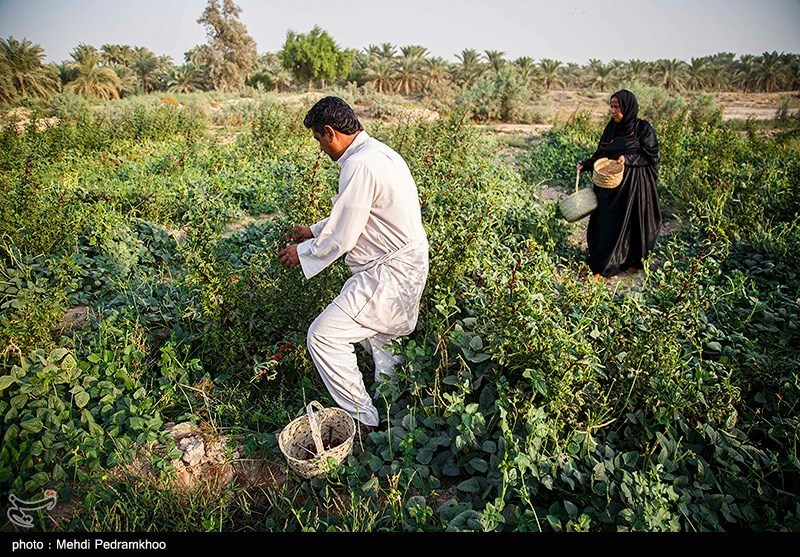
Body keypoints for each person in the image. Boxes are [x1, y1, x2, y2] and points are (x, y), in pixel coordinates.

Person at [277, 96, 429, 436]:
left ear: (330, 132)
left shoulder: (358, 165)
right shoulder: (378, 153)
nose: (320, 149)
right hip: (404, 264)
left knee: (324, 336)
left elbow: (344, 235)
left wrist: (302, 252)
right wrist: (314, 230)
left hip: (387, 272)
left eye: (318, 140)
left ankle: (361, 419)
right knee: (383, 340)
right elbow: (358, 210)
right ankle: (398, 415)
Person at [577, 89, 661, 279]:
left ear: (628, 107)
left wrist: (628, 158)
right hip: (611, 186)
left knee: (633, 223)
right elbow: (602, 152)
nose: (613, 111)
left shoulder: (644, 129)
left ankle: (632, 262)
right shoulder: (612, 128)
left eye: (617, 107)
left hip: (635, 187)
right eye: (612, 106)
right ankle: (602, 264)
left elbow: (651, 155)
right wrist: (587, 165)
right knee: (607, 223)